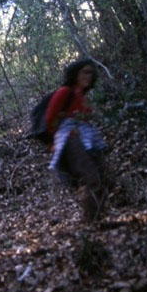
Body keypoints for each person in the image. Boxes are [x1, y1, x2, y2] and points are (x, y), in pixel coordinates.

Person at [45, 59, 107, 222]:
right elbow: (50, 118)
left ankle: (96, 219)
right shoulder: (64, 92)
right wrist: (54, 141)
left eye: (91, 73)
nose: (89, 76)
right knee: (91, 178)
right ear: (75, 74)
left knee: (102, 176)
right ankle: (92, 224)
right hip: (70, 140)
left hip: (86, 140)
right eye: (84, 72)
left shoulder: (82, 96)